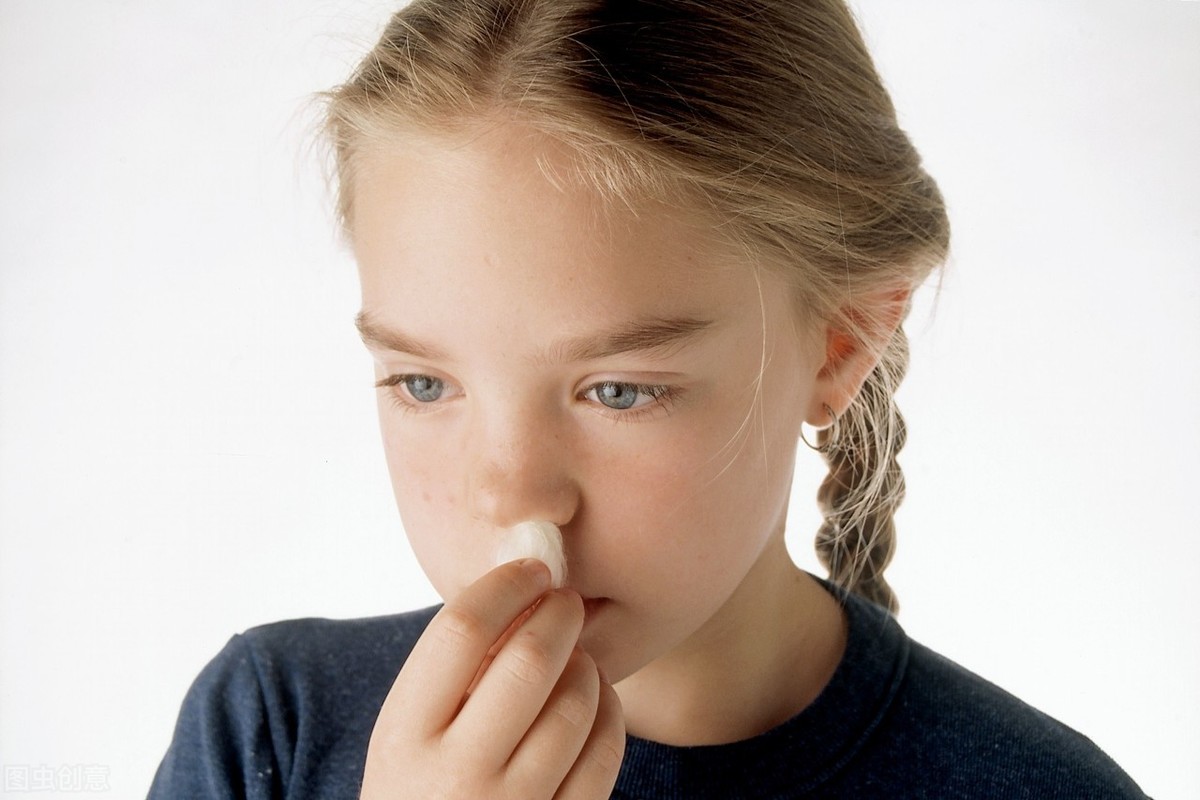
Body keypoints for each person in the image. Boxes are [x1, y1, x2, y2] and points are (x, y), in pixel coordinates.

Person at [148, 1, 1150, 797]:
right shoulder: (270, 729)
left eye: (619, 389)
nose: (513, 498)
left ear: (840, 341)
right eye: (424, 383)